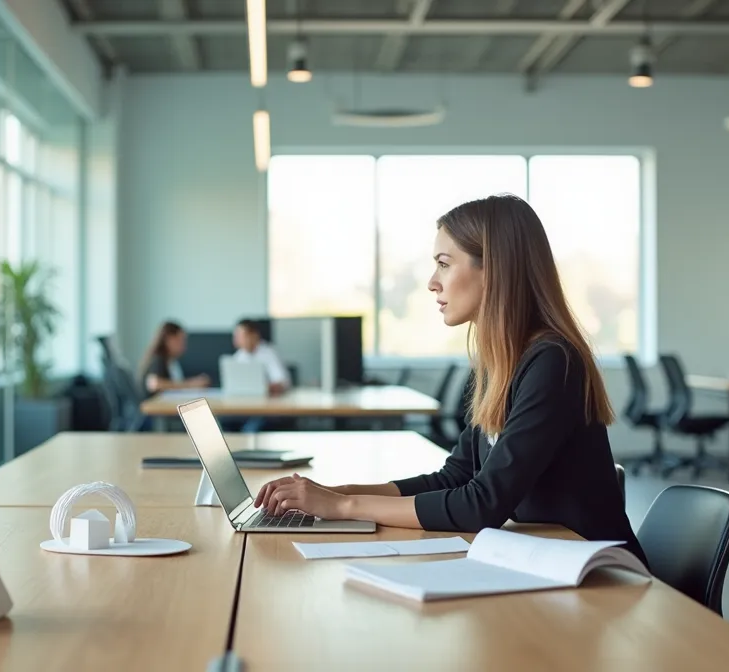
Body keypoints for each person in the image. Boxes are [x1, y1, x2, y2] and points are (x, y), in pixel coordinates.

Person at [253, 194, 647, 566]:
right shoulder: (500, 362)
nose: (432, 282)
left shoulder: (553, 362)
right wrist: (334, 494)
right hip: (547, 559)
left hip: (600, 575)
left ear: (494, 270)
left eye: (444, 263)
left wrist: (343, 507)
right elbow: (456, 477)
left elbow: (482, 505)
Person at [139, 321, 210, 396]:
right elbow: (155, 384)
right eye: (180, 340)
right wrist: (190, 385)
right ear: (169, 340)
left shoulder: (171, 361)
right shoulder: (157, 360)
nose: (184, 346)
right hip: (155, 403)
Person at [232, 318, 291, 396]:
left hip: (269, 399)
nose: (236, 340)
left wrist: (266, 387)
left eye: (241, 336)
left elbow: (282, 382)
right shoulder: (239, 355)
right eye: (236, 336)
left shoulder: (269, 353)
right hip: (245, 398)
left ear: (254, 335)